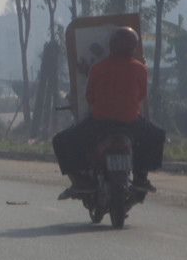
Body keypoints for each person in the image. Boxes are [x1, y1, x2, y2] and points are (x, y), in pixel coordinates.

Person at [52, 26, 166, 199]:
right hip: (131, 123)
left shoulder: (98, 68)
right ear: (133, 48)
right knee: (158, 135)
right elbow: (141, 96)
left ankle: (80, 181)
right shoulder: (140, 68)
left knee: (60, 140)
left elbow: (90, 97)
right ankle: (141, 176)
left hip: (100, 123)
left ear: (112, 45)